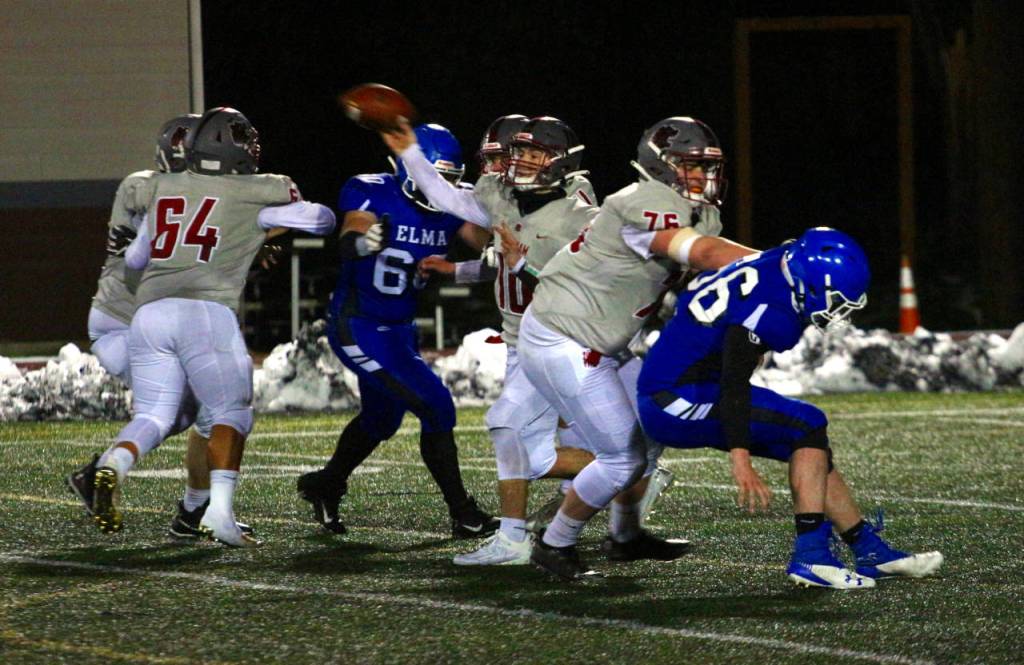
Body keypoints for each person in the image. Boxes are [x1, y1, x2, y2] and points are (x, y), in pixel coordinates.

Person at [386, 115, 670, 567]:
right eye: (511, 155)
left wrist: (521, 268)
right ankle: (624, 487)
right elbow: (449, 198)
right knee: (554, 447)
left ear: (559, 163)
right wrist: (409, 152)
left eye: (526, 155)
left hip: (566, 336)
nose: (511, 165)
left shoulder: (579, 215)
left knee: (510, 428)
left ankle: (520, 537)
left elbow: (583, 285)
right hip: (532, 336)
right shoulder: (504, 196)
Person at [637, 227, 944, 588]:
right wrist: (740, 456)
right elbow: (734, 381)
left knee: (810, 442)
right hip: (672, 399)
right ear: (811, 285)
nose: (839, 311)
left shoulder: (780, 264)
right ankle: (812, 558)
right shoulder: (774, 310)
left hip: (689, 384)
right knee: (806, 424)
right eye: (835, 299)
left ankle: (869, 550)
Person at [88, 107, 336, 547]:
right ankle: (218, 515)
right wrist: (259, 223)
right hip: (205, 313)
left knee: (155, 415)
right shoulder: (257, 191)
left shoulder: (161, 186)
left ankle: (113, 464)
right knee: (232, 412)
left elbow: (135, 260)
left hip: (149, 316)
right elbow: (321, 219)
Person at [517, 116, 752, 579]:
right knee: (622, 456)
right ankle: (554, 543)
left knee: (653, 428)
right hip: (564, 336)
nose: (702, 178)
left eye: (706, 168)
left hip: (607, 340)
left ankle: (625, 537)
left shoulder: (699, 212)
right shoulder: (642, 200)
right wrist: (778, 262)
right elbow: (701, 254)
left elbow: (705, 275)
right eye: (690, 167)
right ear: (660, 166)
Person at [296, 123, 498, 538]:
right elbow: (351, 231)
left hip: (400, 329)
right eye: (436, 175)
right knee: (437, 406)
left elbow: (486, 244)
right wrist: (363, 241)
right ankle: (463, 513)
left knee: (382, 419)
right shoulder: (371, 189)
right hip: (359, 325)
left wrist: (508, 236)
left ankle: (325, 484)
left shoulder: (448, 208)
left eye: (449, 179)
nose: (442, 187)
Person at [67, 114, 252, 540]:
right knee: (192, 408)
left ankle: (186, 507)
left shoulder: (171, 192)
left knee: (193, 409)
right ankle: (191, 510)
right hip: (127, 323)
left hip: (144, 321)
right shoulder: (149, 187)